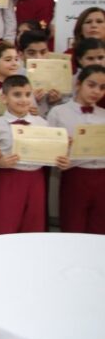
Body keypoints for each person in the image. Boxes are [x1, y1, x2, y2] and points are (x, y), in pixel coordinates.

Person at [0, 75, 69, 235]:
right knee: (3, 223)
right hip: (7, 178)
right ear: (4, 98)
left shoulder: (43, 124)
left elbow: (52, 152)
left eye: (27, 94)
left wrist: (61, 158)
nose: (24, 99)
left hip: (35, 179)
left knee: (33, 224)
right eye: (17, 94)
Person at [47, 65, 105, 233]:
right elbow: (49, 149)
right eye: (91, 85)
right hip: (74, 175)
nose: (96, 91)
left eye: (102, 87)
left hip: (102, 176)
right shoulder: (58, 112)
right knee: (73, 224)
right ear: (78, 84)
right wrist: (61, 151)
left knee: (100, 228)